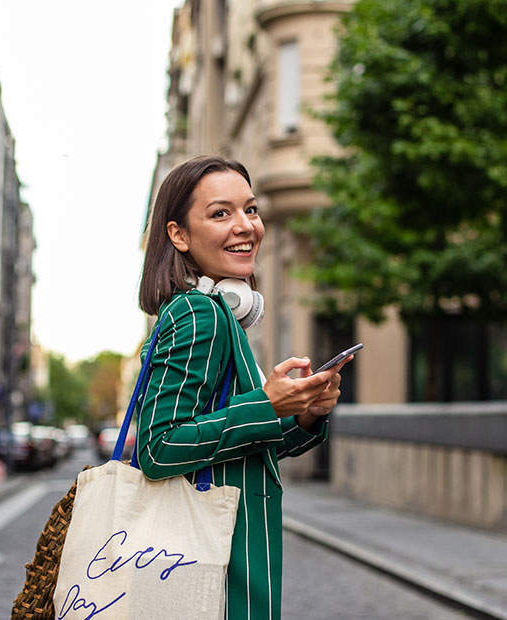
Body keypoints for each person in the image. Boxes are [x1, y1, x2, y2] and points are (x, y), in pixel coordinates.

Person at [136, 155, 350, 619]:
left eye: (250, 210)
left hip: (224, 568)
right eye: (220, 213)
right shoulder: (201, 313)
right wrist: (266, 404)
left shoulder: (218, 314)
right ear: (179, 235)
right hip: (215, 579)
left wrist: (304, 414)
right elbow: (159, 447)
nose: (245, 225)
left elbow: (240, 450)